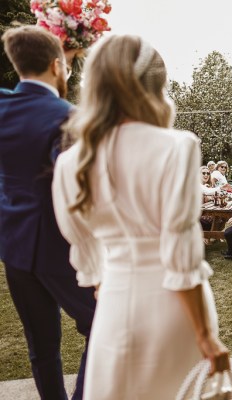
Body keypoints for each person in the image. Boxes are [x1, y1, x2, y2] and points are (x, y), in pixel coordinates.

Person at [51, 35, 229, 399]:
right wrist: (207, 336)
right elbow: (180, 254)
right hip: (173, 314)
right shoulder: (178, 147)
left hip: (114, 306)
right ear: (155, 86)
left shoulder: (72, 162)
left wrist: (103, 278)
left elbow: (80, 240)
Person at [0, 26, 96, 400]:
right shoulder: (69, 117)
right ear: (58, 67)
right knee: (102, 325)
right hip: (59, 248)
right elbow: (76, 188)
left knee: (41, 345)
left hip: (13, 247)